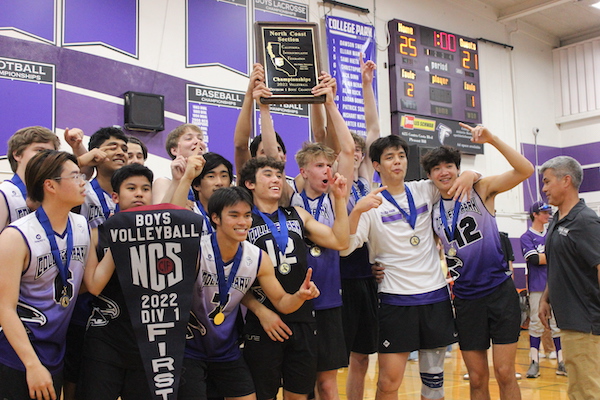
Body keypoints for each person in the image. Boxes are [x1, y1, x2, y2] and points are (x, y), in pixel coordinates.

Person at [341, 134, 478, 400]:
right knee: (388, 383)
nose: (397, 162)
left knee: (434, 382)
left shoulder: (425, 189)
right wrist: (356, 212)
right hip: (395, 301)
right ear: (377, 165)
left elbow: (454, 175)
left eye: (401, 156)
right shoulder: (371, 205)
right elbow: (346, 248)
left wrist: (471, 173)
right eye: (389, 157)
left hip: (435, 297)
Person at [421, 124, 533, 400]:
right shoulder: (433, 211)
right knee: (477, 378)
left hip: (499, 292)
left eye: (449, 165)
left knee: (505, 372)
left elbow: (526, 170)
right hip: (466, 299)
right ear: (429, 176)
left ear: (458, 169)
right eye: (437, 168)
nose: (444, 172)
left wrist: (492, 139)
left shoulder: (481, 188)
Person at [179, 186, 320, 400]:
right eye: (234, 215)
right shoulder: (196, 251)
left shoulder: (258, 258)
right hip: (189, 350)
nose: (243, 222)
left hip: (226, 351)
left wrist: (300, 295)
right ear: (215, 218)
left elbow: (282, 302)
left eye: (247, 215)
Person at [238, 157, 349, 400]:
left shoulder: (296, 214)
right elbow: (233, 278)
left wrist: (339, 200)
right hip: (264, 321)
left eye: (279, 174)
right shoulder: (242, 221)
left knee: (298, 395)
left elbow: (340, 241)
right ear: (250, 183)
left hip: (303, 320)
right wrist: (259, 310)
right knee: (263, 395)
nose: (276, 179)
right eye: (268, 174)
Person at [0, 150, 90, 400]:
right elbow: (4, 308)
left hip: (56, 349)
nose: (83, 182)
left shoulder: (82, 226)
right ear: (50, 185)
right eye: (75, 176)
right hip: (18, 354)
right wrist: (31, 364)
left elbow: (87, 284)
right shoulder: (15, 236)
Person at [79, 163, 155, 400]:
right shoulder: (95, 234)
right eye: (131, 188)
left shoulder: (162, 236)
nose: (139, 193)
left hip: (148, 339)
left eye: (145, 188)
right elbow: (93, 286)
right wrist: (122, 236)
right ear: (115, 197)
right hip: (105, 337)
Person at [539, 156, 600, 400]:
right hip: (569, 320)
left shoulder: (585, 221)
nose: (544, 188)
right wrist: (546, 298)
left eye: (547, 181)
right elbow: (558, 264)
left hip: (585, 322)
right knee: (578, 387)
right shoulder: (556, 219)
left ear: (566, 181)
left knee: (586, 391)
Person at [520, 201, 565, 378]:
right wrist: (556, 256)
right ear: (535, 215)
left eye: (548, 212)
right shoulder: (527, 236)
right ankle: (534, 362)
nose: (547, 215)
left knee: (557, 324)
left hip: (556, 284)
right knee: (536, 324)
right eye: (543, 212)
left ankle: (562, 362)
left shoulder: (552, 233)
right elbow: (534, 260)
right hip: (537, 286)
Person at [0, 126, 60, 231]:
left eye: (50, 153)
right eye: (39, 150)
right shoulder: (4, 194)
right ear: (17, 154)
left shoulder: (52, 194)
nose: (45, 156)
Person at [172, 152, 233, 236]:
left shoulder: (239, 211)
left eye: (224, 176)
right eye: (211, 176)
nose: (219, 182)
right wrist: (187, 177)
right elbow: (173, 220)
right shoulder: (191, 211)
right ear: (197, 185)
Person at [152, 123, 207, 205]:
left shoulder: (208, 179)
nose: (197, 142)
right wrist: (176, 181)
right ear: (174, 150)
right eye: (189, 138)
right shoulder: (164, 182)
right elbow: (160, 214)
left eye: (200, 139)